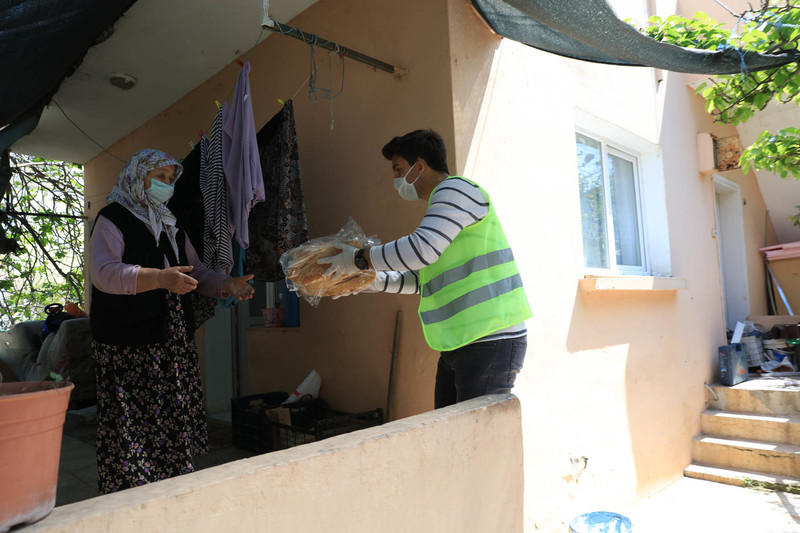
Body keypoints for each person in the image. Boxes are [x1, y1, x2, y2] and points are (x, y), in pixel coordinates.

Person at [318, 130, 531, 408]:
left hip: (491, 338)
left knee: (472, 442)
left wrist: (360, 258)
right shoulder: (441, 208)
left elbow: (420, 250)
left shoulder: (456, 190)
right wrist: (368, 280)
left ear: (419, 167)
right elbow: (421, 279)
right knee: (449, 435)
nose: (395, 179)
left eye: (398, 169)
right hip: (460, 342)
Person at [88, 148, 254, 493]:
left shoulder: (169, 222)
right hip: (129, 343)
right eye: (158, 177)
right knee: (133, 423)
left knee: (171, 416)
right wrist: (159, 278)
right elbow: (104, 273)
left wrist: (226, 284)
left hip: (171, 339)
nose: (165, 185)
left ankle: (171, 487)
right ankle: (132, 495)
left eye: (169, 179)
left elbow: (197, 271)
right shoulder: (112, 217)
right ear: (138, 176)